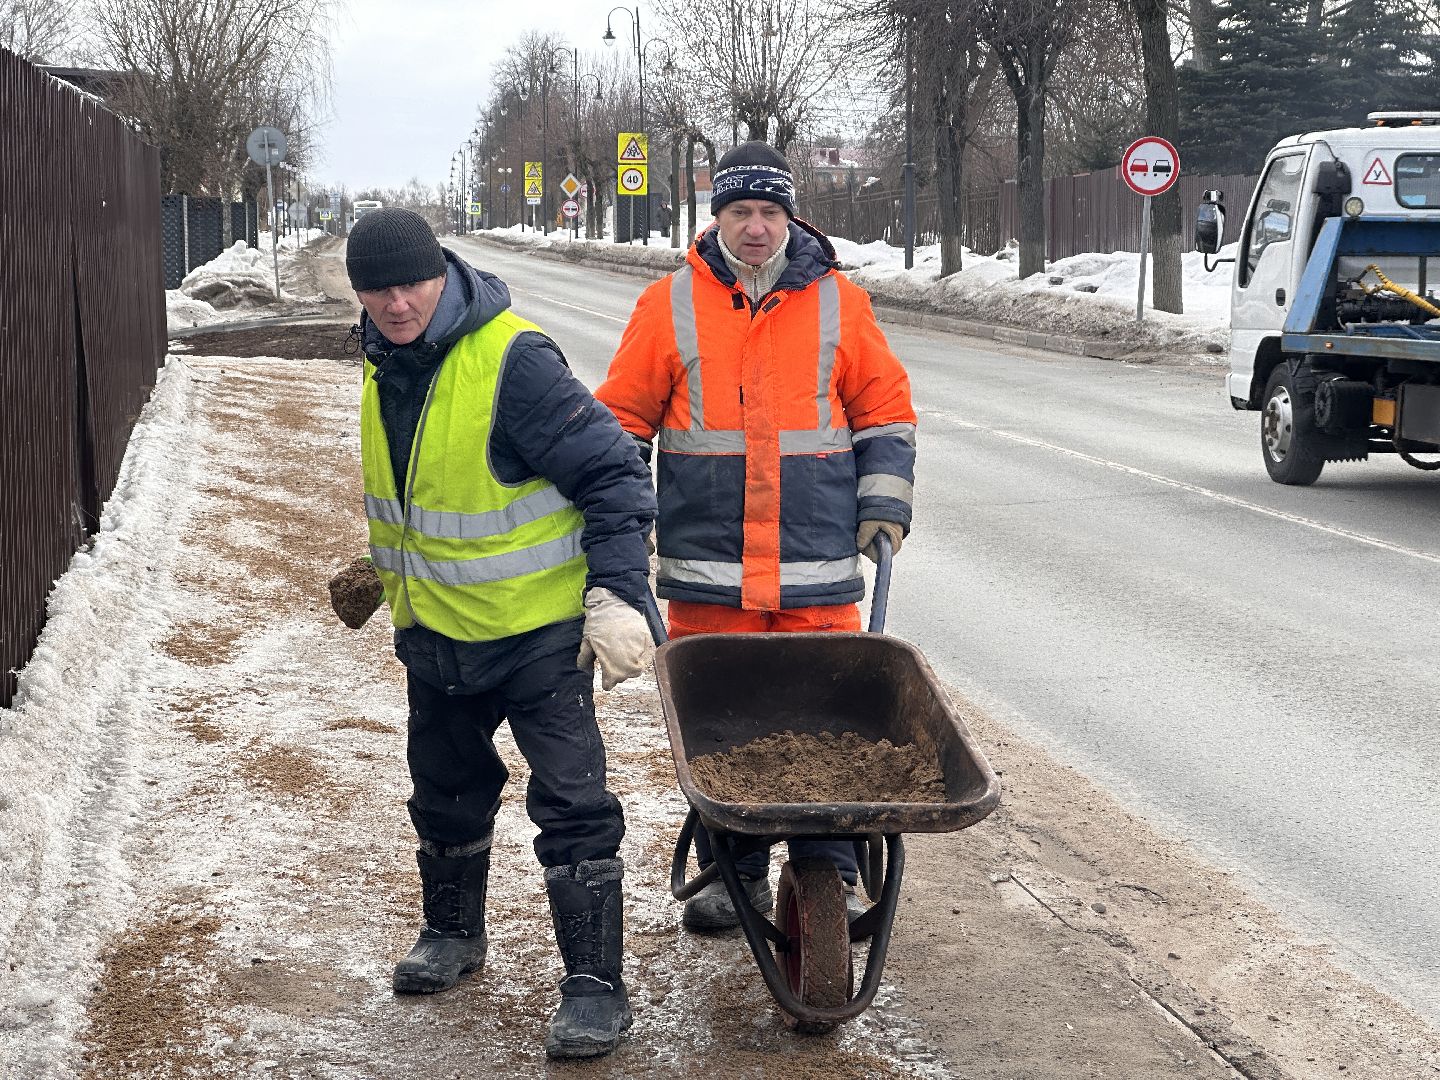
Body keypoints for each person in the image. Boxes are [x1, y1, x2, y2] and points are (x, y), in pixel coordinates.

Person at [335, 207, 656, 1059]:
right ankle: (453, 933)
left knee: (574, 805)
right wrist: (384, 566)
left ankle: (594, 985)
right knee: (443, 787)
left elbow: (615, 471)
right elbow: (433, 493)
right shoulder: (382, 359)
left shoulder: (513, 360)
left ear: (442, 274)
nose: (396, 302)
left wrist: (619, 593)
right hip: (435, 633)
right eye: (376, 288)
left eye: (411, 283)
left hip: (535, 637)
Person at [595, 142, 917, 931]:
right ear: (717, 216)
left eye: (770, 211)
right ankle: (727, 867)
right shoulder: (669, 304)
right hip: (711, 573)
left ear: (790, 216)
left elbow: (885, 412)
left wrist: (885, 506)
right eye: (740, 211)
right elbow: (622, 425)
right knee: (725, 725)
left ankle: (831, 868)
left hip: (818, 569)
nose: (756, 227)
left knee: (827, 721)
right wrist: (622, 520)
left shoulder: (841, 302)